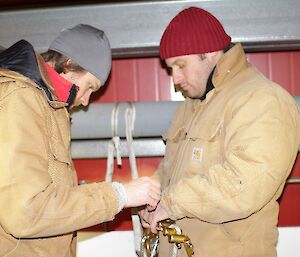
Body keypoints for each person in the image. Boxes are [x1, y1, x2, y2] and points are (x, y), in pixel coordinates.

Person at [139, 6, 300, 257]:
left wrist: (170, 203)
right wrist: (151, 199)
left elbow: (245, 184)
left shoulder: (263, 100)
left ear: (210, 52)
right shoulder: (192, 107)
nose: (175, 78)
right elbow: (170, 171)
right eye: (171, 69)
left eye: (180, 65)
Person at [0, 24, 160, 257]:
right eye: (89, 88)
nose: (85, 101)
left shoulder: (51, 107)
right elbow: (26, 212)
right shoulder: (20, 100)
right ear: (68, 65)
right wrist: (120, 195)